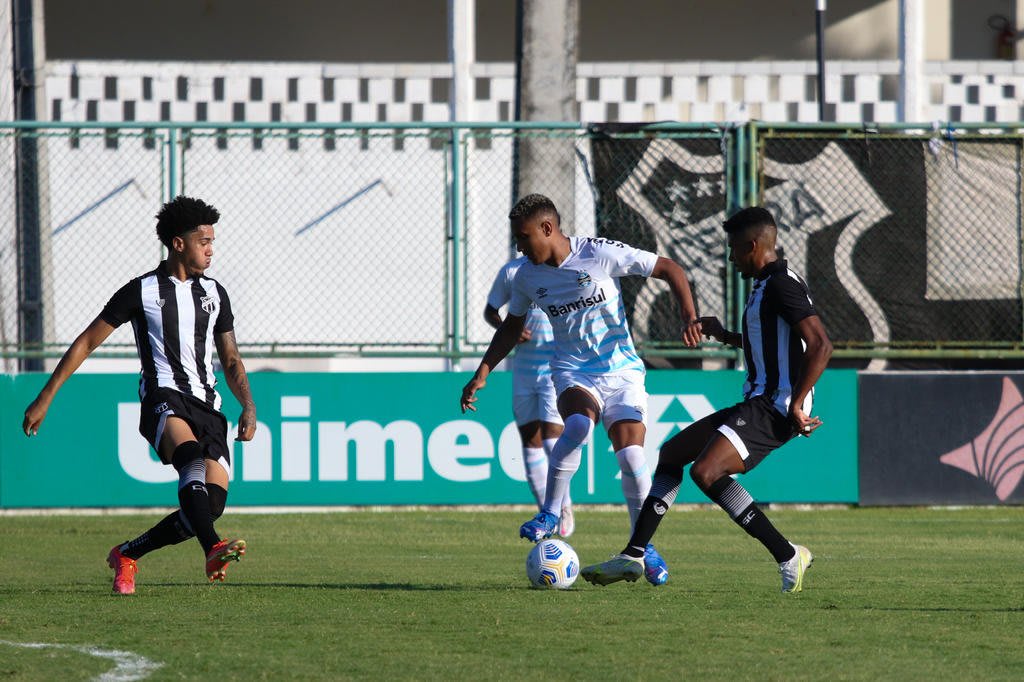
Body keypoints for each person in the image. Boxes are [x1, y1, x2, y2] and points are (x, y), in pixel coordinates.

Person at [581, 206, 833, 593]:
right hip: (760, 400)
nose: (730, 258)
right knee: (671, 454)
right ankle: (633, 556)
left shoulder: (781, 282)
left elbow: (819, 344)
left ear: (753, 245)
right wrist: (726, 334)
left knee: (705, 472)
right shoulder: (767, 285)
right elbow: (771, 342)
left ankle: (787, 555)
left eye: (734, 249)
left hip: (776, 406)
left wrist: (797, 403)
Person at [461, 193, 702, 586]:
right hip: (573, 370)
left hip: (622, 372)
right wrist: (483, 371)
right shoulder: (526, 276)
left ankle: (644, 547)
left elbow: (669, 268)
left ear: (547, 228)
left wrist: (688, 315)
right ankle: (551, 513)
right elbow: (509, 325)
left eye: (523, 238)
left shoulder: (600, 253)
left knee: (631, 456)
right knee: (576, 428)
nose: (519, 247)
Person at [22, 195, 257, 595]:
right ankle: (212, 547)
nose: (211, 249)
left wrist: (248, 405)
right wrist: (46, 396)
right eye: (204, 241)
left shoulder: (215, 293)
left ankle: (128, 554)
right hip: (163, 396)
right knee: (189, 461)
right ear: (178, 244)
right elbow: (86, 342)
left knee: (208, 506)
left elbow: (231, 359)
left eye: (213, 241)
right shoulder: (142, 291)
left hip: (208, 404)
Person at [485, 256, 573, 537]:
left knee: (551, 438)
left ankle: (562, 504)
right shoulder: (512, 271)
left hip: (554, 366)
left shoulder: (564, 269)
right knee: (530, 440)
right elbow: (490, 311)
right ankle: (546, 513)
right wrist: (505, 328)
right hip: (523, 367)